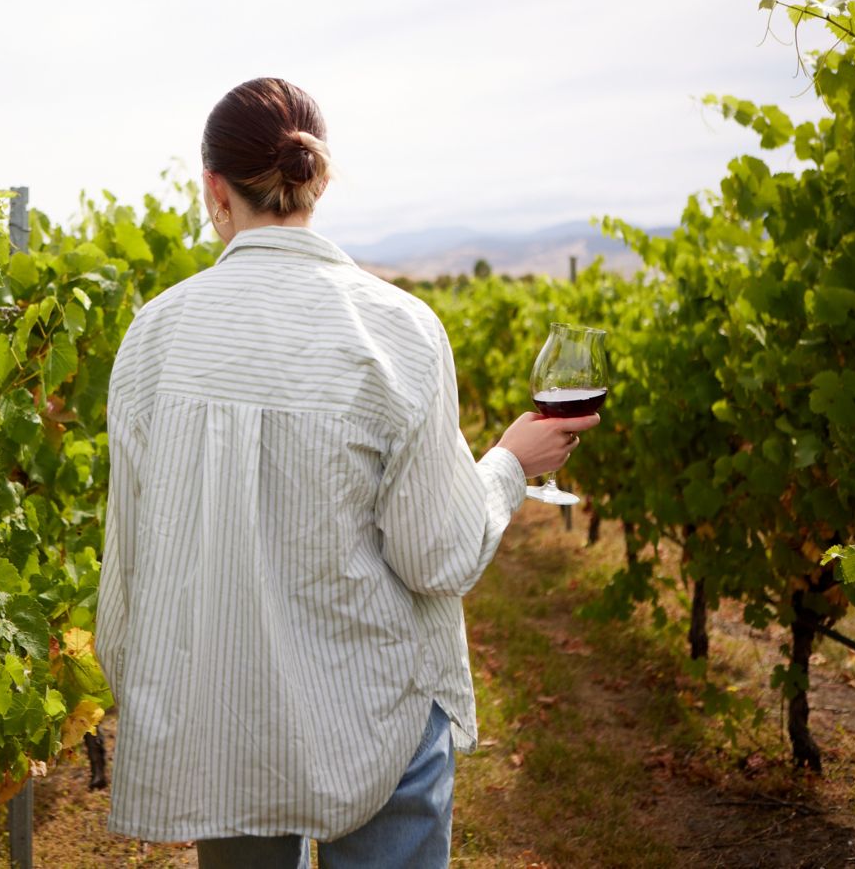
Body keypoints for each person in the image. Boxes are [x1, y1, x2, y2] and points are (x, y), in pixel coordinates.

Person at [94, 77, 600, 868]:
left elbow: (131, 563)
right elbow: (437, 556)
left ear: (213, 190)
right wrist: (507, 465)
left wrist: (161, 714)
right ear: (316, 183)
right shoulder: (398, 330)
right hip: (379, 715)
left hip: (228, 721)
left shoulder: (153, 338)